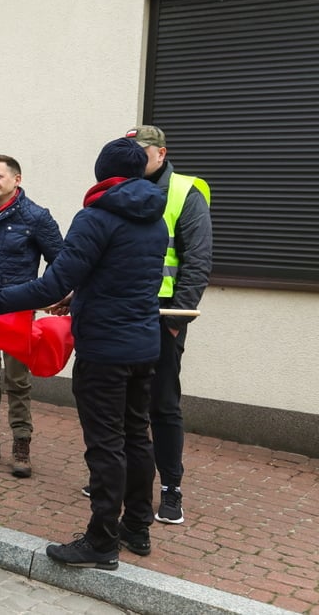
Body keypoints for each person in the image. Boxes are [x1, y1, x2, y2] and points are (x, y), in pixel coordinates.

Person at [0, 137, 167, 569]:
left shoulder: (96, 217)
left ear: (101, 172)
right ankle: (137, 528)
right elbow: (117, 279)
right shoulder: (154, 218)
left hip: (106, 349)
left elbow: (53, 283)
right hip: (145, 344)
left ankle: (101, 541)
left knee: (106, 445)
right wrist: (81, 295)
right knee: (136, 438)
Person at [125, 125, 212, 525]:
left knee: (162, 401)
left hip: (164, 314)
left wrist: (177, 319)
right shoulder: (121, 188)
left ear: (161, 153)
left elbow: (196, 260)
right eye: (131, 151)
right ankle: (125, 477)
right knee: (124, 398)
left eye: (143, 151)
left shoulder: (185, 191)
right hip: (124, 310)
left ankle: (171, 488)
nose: (137, 157)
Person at [0, 155, 62, 478]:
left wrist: (44, 295)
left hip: (16, 310)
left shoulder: (37, 217)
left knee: (17, 380)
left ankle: (21, 444)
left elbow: (59, 260)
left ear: (17, 179)